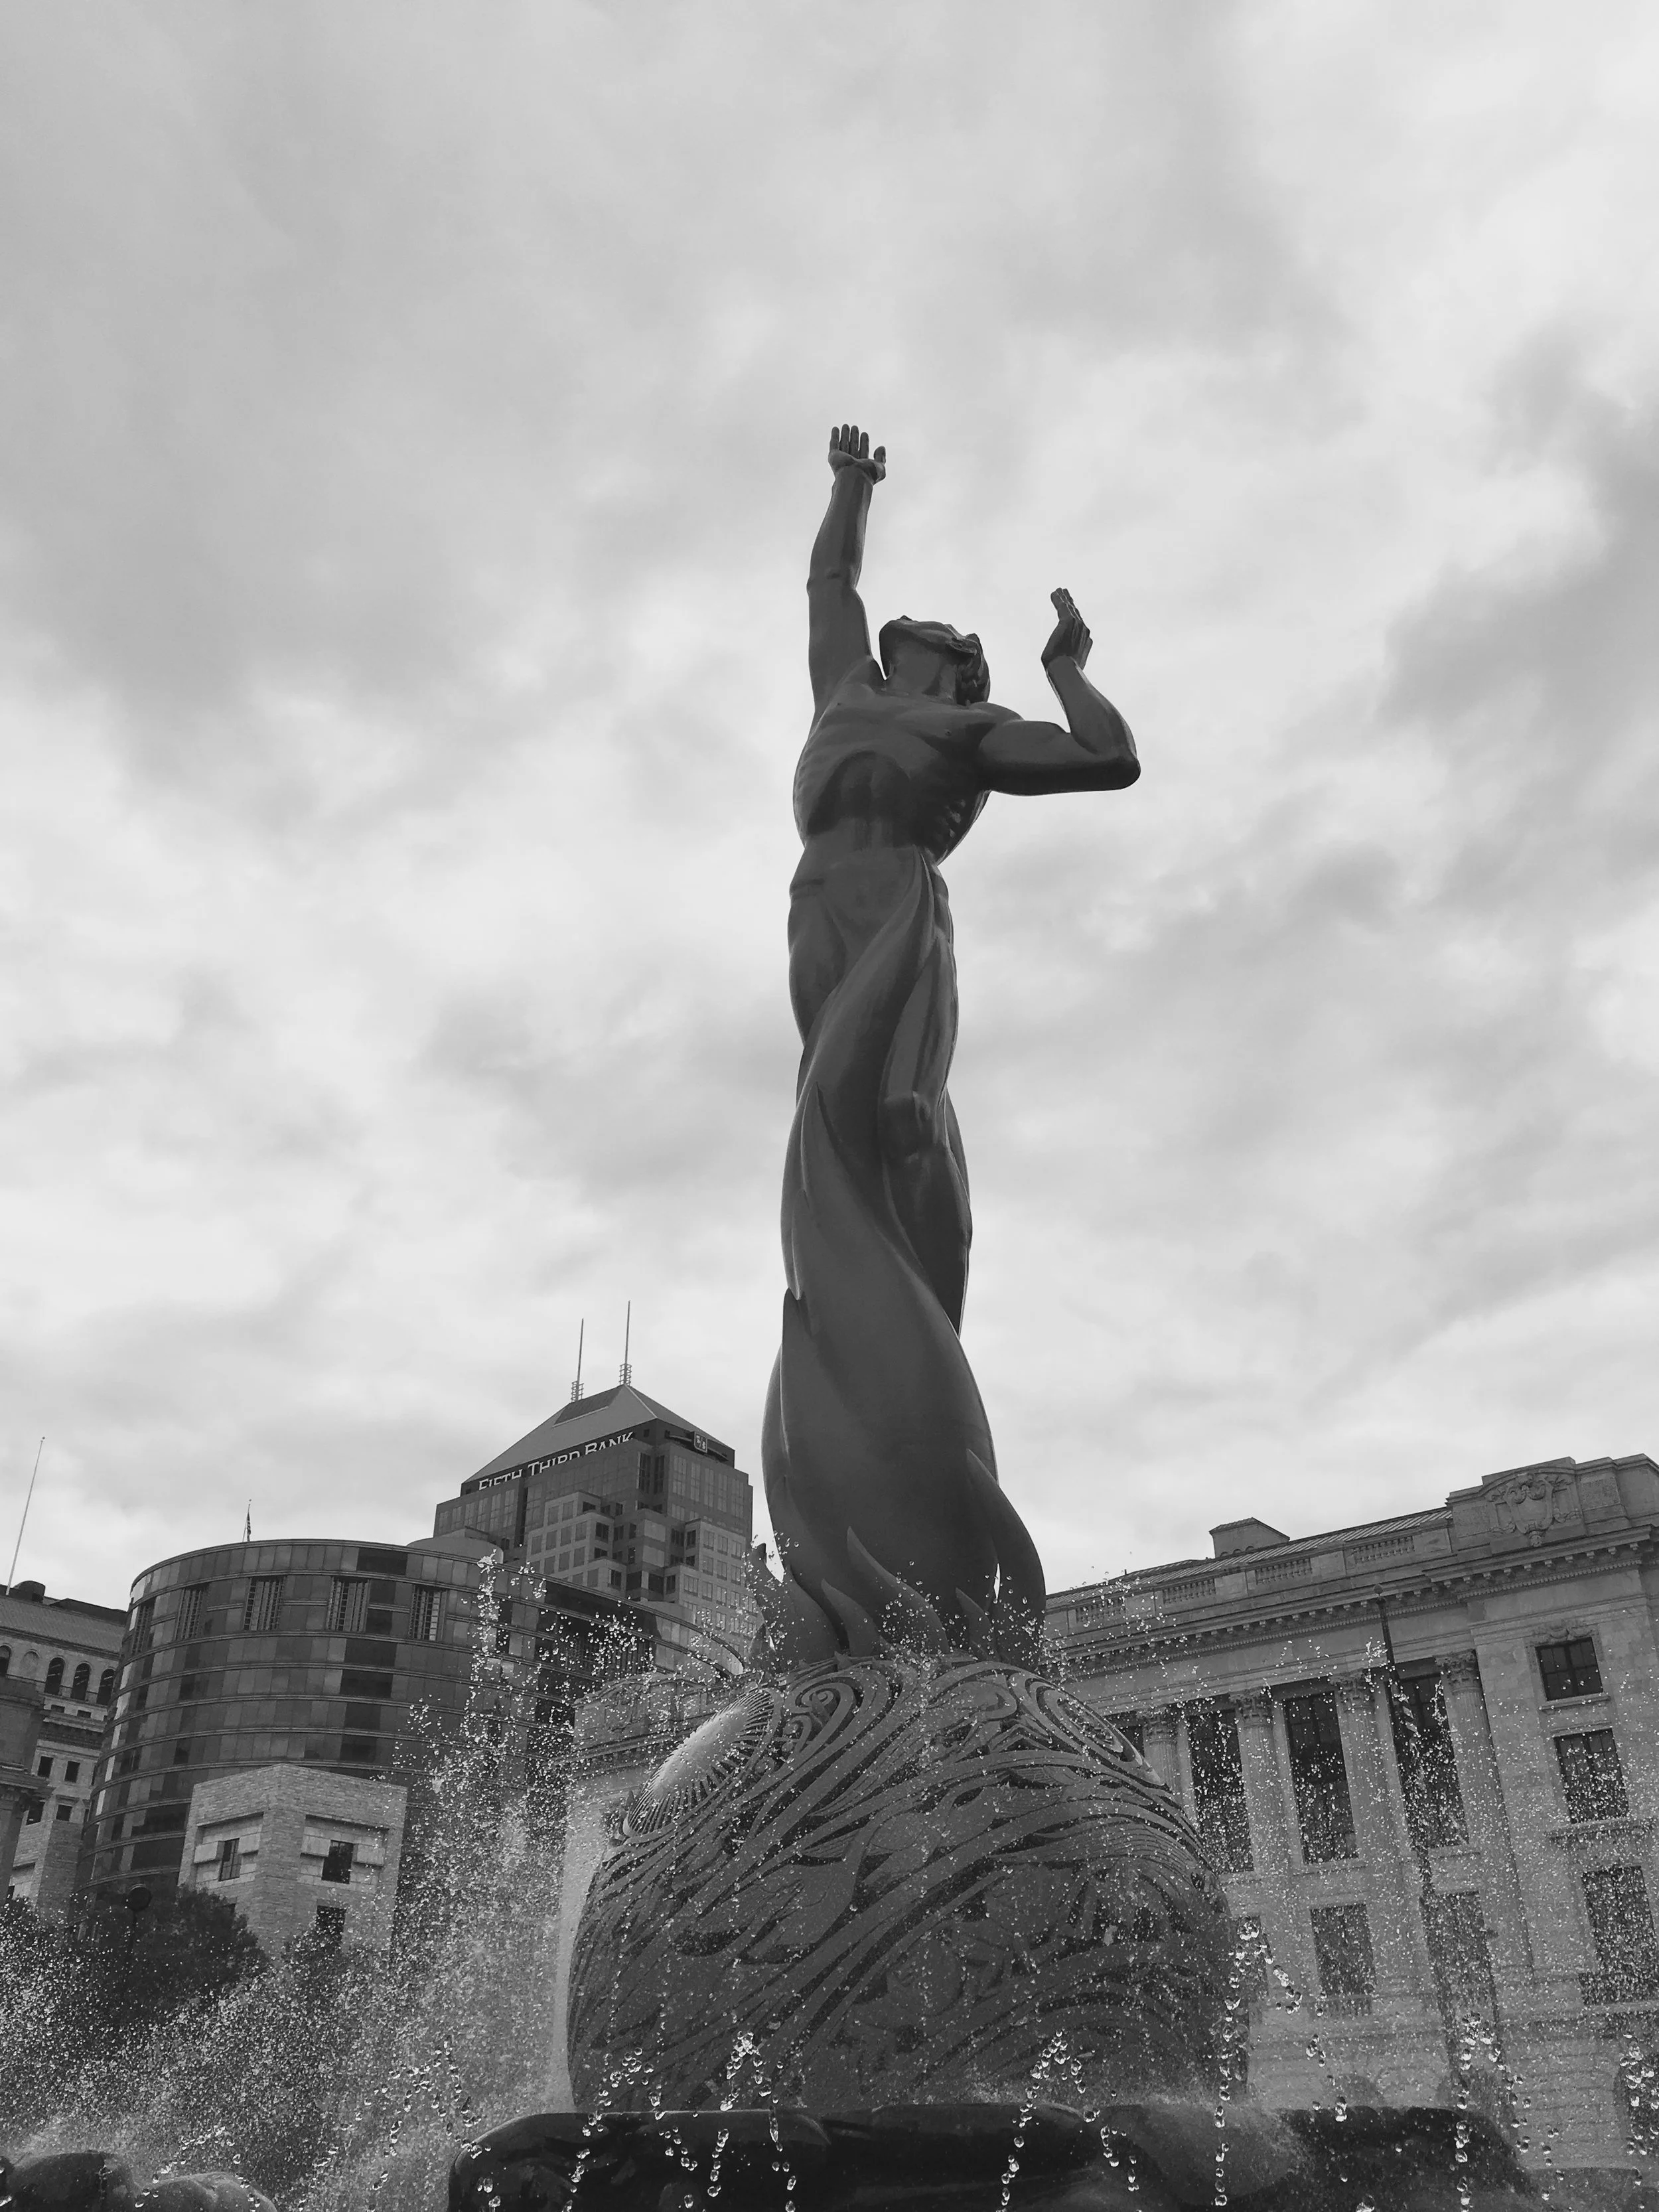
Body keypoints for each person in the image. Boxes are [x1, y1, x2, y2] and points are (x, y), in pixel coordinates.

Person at [761, 423, 1142, 1664]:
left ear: (956, 667)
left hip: (901, 917)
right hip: (821, 910)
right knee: (831, 1131)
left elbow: (1108, 757)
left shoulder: (970, 736)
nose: (889, 632)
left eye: (918, 634)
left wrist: (1070, 665)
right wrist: (850, 488)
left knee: (901, 1122)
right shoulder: (845, 695)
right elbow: (831, 585)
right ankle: (870, 1450)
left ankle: (922, 1424)